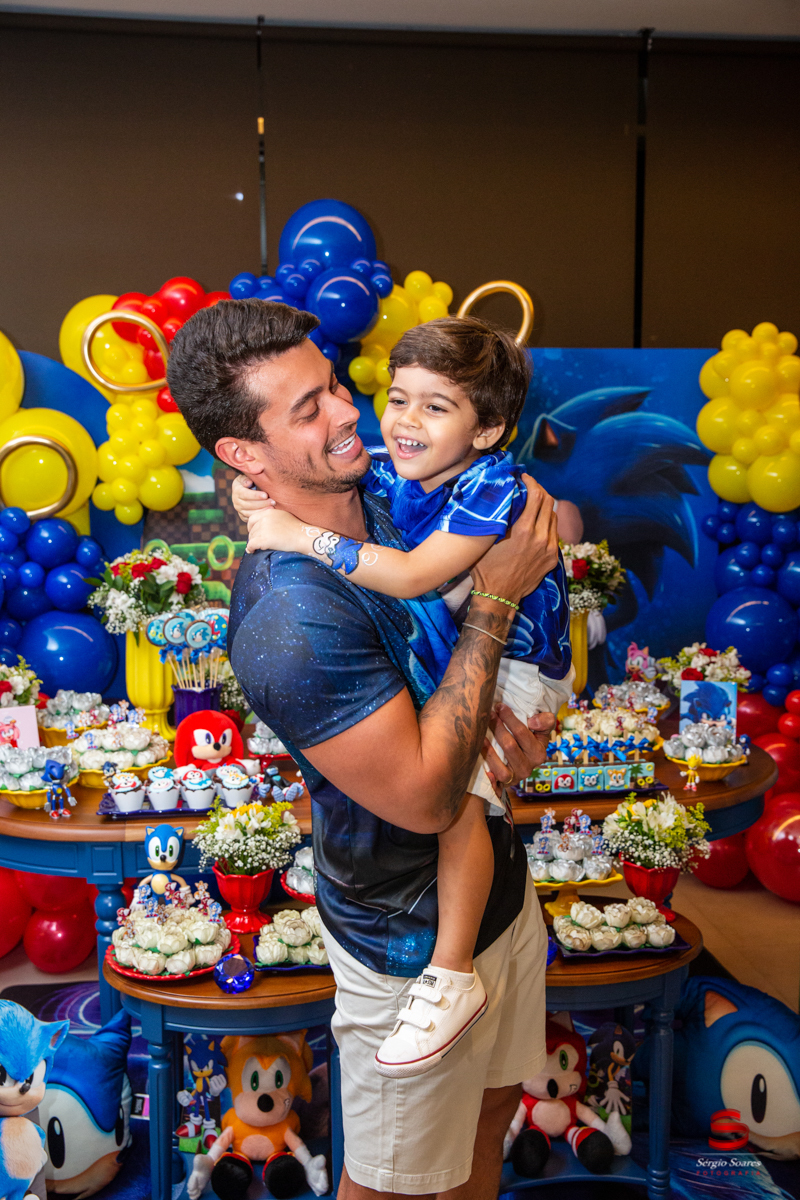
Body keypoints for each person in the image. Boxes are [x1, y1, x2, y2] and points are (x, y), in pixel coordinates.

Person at [166, 299, 558, 1200]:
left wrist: (519, 736)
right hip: (408, 947)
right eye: (309, 409)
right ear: (243, 453)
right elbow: (426, 799)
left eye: (337, 385)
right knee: (391, 1184)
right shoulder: (289, 619)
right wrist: (497, 602)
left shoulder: (379, 488)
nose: (350, 412)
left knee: (491, 1118)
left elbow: (495, 493)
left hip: (502, 894)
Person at [232, 315, 574, 1079]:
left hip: (524, 662)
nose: (399, 421)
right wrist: (255, 490)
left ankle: (451, 974)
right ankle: (452, 968)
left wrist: (295, 533)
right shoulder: (401, 478)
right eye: (398, 398)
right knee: (457, 795)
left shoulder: (489, 488)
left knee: (465, 801)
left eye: (435, 406)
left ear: (487, 431)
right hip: (391, 922)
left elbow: (415, 575)